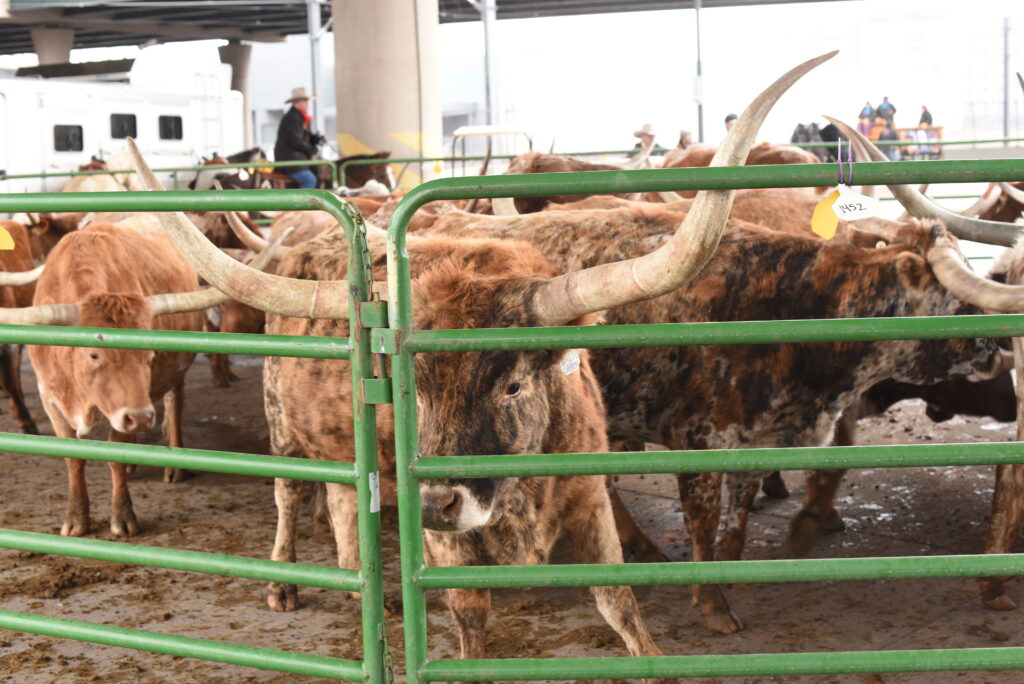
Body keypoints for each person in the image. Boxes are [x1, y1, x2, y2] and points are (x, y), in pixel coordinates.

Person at [274, 87, 326, 189]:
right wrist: (311, 152)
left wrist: (315, 140)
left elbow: (302, 139)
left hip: (296, 159)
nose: (308, 104)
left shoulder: (299, 118)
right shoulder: (291, 119)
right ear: (296, 103)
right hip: (290, 161)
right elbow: (296, 141)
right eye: (305, 101)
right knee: (310, 179)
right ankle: (303, 204)